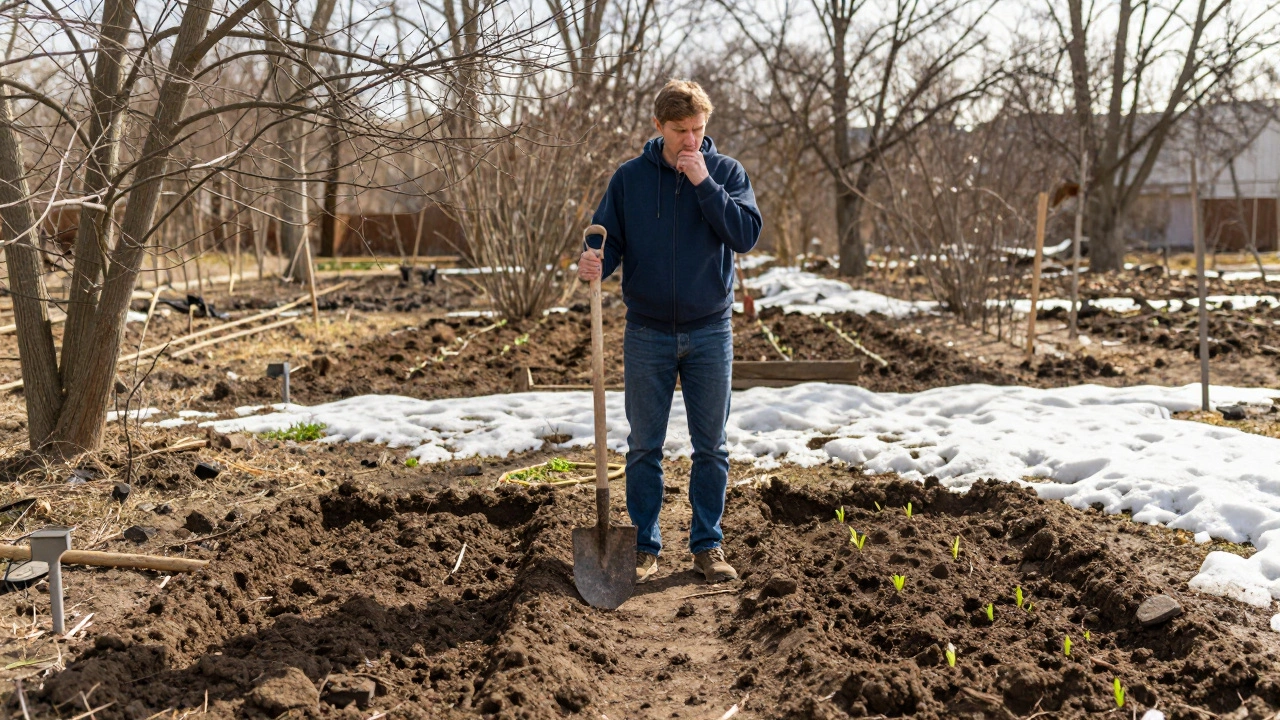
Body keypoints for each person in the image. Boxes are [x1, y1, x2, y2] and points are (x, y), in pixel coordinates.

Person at [578, 79, 762, 585]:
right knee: (644, 447)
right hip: (648, 331)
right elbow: (607, 243)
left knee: (712, 447)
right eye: (680, 130)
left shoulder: (726, 173)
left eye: (698, 129)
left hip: (710, 330)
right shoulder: (630, 179)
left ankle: (707, 545)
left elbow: (745, 235)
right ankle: (644, 547)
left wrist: (705, 184)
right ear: (658, 126)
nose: (691, 140)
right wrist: (594, 262)